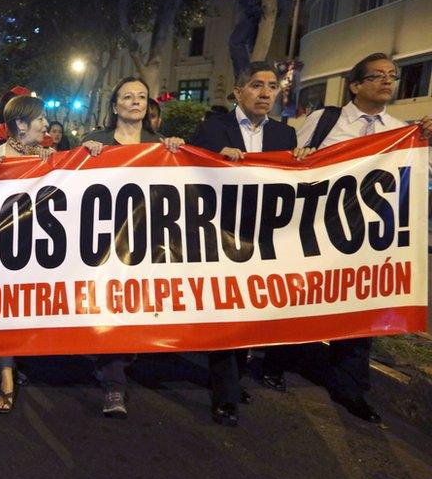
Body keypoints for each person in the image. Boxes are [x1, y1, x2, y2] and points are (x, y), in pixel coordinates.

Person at [279, 53, 432, 424]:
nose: (387, 81)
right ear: (356, 84)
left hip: (368, 240)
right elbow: (288, 166)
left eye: (392, 76)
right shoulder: (324, 121)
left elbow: (418, 181)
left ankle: (351, 387)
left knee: (360, 308)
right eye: (377, 75)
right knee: (302, 296)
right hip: (318, 232)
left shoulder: (402, 131)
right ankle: (280, 361)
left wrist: (426, 143)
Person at [192, 61, 297, 427]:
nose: (266, 92)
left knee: (251, 314)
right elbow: (190, 176)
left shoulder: (286, 137)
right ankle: (226, 395)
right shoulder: (212, 128)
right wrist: (216, 159)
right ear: (238, 92)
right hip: (221, 238)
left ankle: (230, 379)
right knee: (228, 313)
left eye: (272, 86)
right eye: (256, 85)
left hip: (266, 240)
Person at [79, 77, 184, 419]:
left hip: (146, 243)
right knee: (112, 306)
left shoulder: (160, 146)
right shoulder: (97, 142)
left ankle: (112, 361)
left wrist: (176, 151)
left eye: (141, 96)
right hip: (105, 243)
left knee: (133, 307)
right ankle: (114, 385)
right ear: (114, 106)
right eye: (128, 96)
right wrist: (87, 152)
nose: (135, 102)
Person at [0, 95, 55, 413]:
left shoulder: (49, 155)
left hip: (38, 247)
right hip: (4, 248)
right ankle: (7, 377)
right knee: (4, 309)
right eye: (39, 118)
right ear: (21, 124)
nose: (45, 123)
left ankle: (17, 360)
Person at [220, 0, 295, 77]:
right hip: (278, 0)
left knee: (237, 42)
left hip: (256, 2)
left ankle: (243, 80)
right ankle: (259, 79)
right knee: (254, 46)